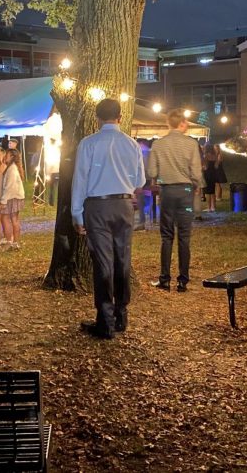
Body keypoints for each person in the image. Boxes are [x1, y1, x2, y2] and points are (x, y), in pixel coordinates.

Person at [72, 98, 145, 340]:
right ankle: (121, 313)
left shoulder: (88, 143)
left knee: (103, 263)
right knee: (122, 258)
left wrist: (76, 213)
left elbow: (80, 179)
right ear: (120, 117)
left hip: (98, 206)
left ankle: (105, 320)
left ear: (97, 118)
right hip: (124, 204)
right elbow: (140, 182)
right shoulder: (132, 144)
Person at [147, 109, 203, 293]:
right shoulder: (191, 144)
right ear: (182, 123)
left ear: (168, 124)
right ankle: (183, 280)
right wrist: (196, 185)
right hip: (186, 191)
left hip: (167, 191)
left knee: (166, 235)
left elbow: (152, 173)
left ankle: (164, 278)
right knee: (184, 236)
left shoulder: (158, 144)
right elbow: (196, 172)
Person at [0, 148, 25, 249]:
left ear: (12, 157)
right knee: (14, 219)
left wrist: (3, 201)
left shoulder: (12, 169)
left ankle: (10, 241)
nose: (5, 157)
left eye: (7, 155)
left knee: (6, 218)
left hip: (12, 197)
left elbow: (9, 186)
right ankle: (15, 242)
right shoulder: (12, 167)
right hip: (16, 196)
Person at [202, 144, 218, 212]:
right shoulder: (215, 156)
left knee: (208, 192)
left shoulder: (206, 156)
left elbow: (205, 167)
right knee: (212, 191)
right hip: (214, 174)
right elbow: (216, 166)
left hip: (207, 174)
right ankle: (213, 207)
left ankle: (208, 208)